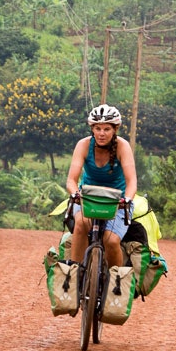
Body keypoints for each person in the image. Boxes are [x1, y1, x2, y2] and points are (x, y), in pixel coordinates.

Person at [65, 104, 138, 269]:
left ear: (115, 129)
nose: (102, 133)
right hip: (88, 199)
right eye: (97, 128)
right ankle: (76, 271)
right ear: (92, 128)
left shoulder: (122, 146)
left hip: (117, 202)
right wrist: (75, 194)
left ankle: (116, 280)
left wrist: (127, 199)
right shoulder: (83, 145)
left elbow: (132, 181)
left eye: (106, 129)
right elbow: (71, 179)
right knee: (82, 223)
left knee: (111, 240)